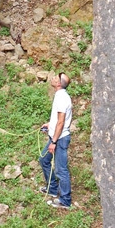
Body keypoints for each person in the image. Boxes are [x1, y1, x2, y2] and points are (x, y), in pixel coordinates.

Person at [39, 72, 72, 209]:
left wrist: (53, 142)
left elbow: (61, 122)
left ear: (58, 84)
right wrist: (49, 125)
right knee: (44, 160)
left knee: (61, 170)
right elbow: (57, 120)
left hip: (60, 139)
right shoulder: (60, 96)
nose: (52, 78)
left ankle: (65, 200)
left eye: (55, 77)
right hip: (56, 136)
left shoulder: (62, 98)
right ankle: (52, 189)